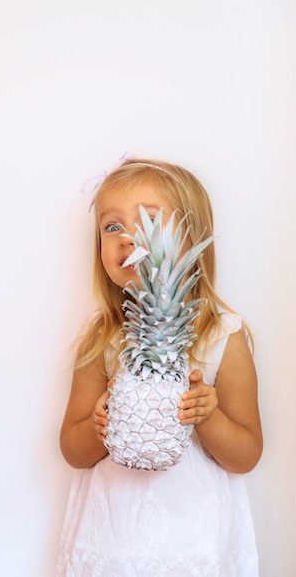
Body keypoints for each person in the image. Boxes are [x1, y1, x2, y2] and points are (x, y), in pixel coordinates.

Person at [57, 157, 263, 577]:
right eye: (111, 226)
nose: (126, 239)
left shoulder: (222, 334)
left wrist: (207, 417)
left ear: (192, 237)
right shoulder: (103, 337)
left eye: (149, 222)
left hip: (194, 538)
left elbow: (247, 455)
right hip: (114, 539)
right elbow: (71, 450)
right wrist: (103, 424)